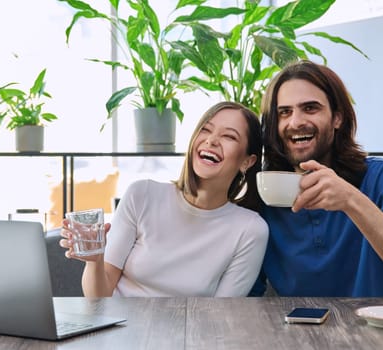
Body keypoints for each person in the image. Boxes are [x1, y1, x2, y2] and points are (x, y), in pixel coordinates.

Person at [251, 60, 383, 297]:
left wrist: (351, 200)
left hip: (375, 332)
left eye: (310, 108)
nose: (295, 122)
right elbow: (248, 300)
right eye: (284, 112)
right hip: (293, 332)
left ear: (337, 118)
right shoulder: (266, 191)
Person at [60, 101, 268, 297]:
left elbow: (222, 315)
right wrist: (95, 261)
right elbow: (100, 296)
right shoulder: (141, 195)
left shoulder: (250, 229)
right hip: (119, 329)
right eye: (205, 129)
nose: (211, 140)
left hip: (192, 333)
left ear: (247, 162)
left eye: (229, 137)